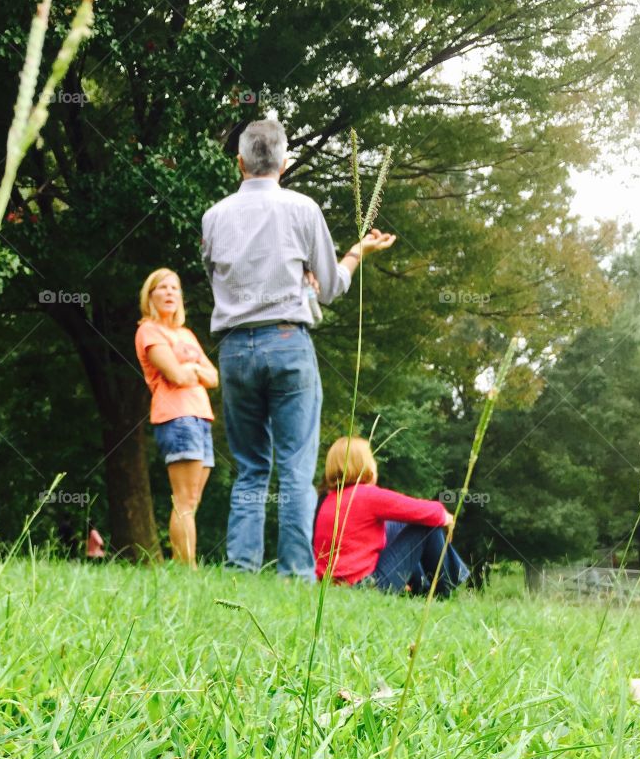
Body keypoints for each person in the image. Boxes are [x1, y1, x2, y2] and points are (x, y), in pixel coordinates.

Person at [201, 118, 396, 579]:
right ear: (284, 163)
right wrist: (356, 255)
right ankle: (294, 574)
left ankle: (241, 569)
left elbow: (221, 281)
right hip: (288, 341)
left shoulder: (213, 216)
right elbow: (328, 289)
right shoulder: (303, 208)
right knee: (295, 468)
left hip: (233, 348)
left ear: (239, 162)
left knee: (250, 467)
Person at [135, 268, 219, 565]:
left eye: (174, 288)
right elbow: (175, 375)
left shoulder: (185, 334)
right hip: (177, 417)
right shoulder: (148, 331)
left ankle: (185, 564)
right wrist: (193, 369)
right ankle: (188, 568)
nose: (169, 292)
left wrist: (193, 370)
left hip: (201, 417)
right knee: (183, 499)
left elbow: (213, 376)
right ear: (150, 296)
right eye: (162, 288)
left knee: (192, 500)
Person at [313, 437, 470, 596]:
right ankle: (444, 590)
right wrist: (446, 517)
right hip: (368, 586)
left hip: (336, 584)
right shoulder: (367, 495)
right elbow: (428, 511)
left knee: (398, 525)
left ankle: (421, 587)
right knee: (427, 527)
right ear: (364, 465)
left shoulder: (329, 499)